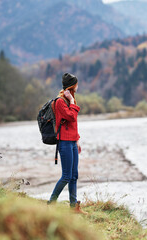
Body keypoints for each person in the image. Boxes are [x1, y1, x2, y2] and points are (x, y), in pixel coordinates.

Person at [47, 73, 87, 215]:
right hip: (64, 142)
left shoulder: (69, 99)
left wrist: (77, 140)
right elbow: (71, 116)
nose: (78, 86)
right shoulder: (60, 101)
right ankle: (51, 203)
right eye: (76, 83)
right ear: (72, 85)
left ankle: (73, 208)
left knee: (74, 175)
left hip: (72, 142)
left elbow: (73, 123)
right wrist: (71, 101)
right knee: (66, 176)